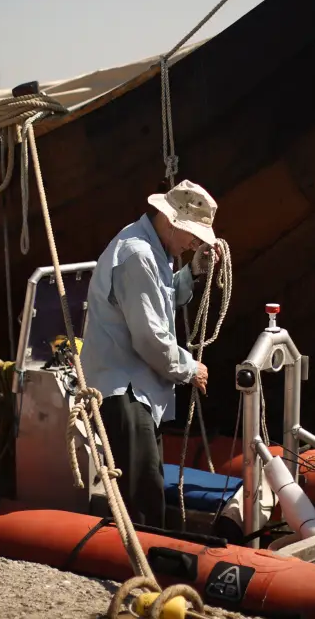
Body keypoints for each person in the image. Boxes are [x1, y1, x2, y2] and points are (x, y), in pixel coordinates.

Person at [81, 179, 220, 529]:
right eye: (193, 235)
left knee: (147, 483)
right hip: (125, 390)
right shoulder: (139, 256)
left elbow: (160, 300)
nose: (194, 244)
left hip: (135, 388)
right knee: (143, 493)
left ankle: (145, 547)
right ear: (171, 221)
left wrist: (192, 272)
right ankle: (141, 553)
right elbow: (149, 337)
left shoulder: (153, 249)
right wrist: (190, 368)